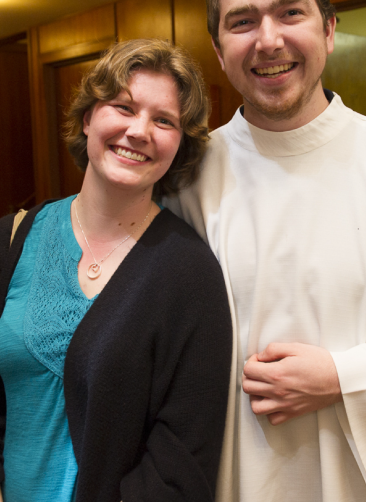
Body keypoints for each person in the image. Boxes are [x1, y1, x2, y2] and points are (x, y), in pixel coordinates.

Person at [165, 0, 366, 502]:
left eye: (290, 12)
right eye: (241, 22)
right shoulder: (184, 178)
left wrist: (344, 378)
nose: (268, 40)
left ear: (328, 28)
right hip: (230, 479)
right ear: (219, 52)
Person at [0, 39, 232, 502]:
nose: (139, 130)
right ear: (88, 118)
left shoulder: (191, 274)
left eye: (164, 120)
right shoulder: (11, 239)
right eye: (123, 107)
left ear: (180, 143)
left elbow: (181, 461)